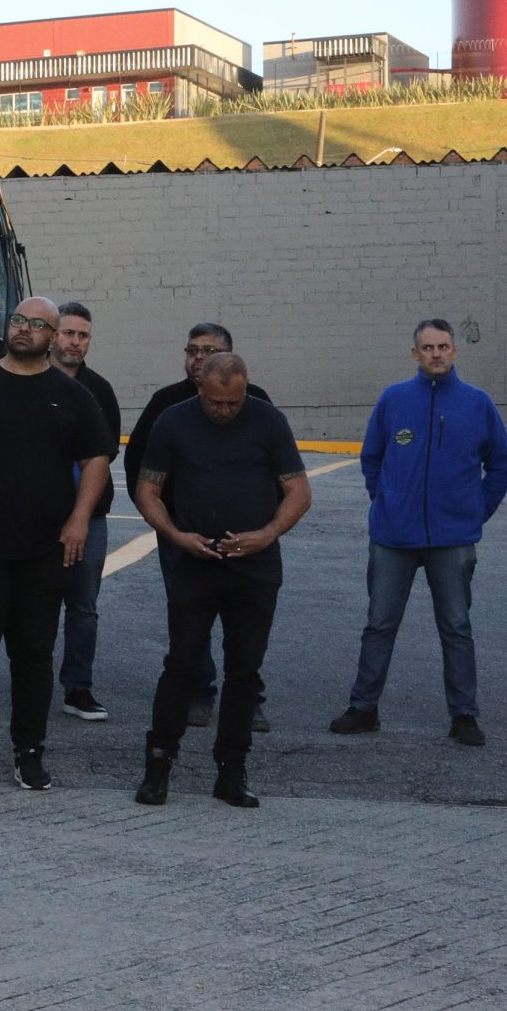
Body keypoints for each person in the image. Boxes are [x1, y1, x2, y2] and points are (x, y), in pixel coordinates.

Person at [0, 295, 117, 791]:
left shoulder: (72, 396)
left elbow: (97, 458)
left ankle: (29, 753)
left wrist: (79, 519)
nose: (24, 329)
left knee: (33, 652)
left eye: (37, 324)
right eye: (17, 320)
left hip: (46, 547)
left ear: (54, 337)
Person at [131, 354, 312, 809]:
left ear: (246, 389)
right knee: (181, 665)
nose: (224, 411)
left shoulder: (269, 421)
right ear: (200, 389)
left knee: (244, 671)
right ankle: (158, 766)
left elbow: (299, 491)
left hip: (255, 567)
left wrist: (266, 534)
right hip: (195, 562)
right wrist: (175, 536)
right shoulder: (173, 422)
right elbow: (147, 489)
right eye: (215, 402)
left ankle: (232, 770)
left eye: (233, 403)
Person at [329, 318, 507, 745]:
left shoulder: (478, 403)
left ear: (455, 351)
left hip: (453, 539)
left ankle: (464, 715)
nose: (435, 354)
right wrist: (386, 500)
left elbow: (500, 464)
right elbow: (371, 456)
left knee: (456, 626)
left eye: (443, 346)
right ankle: (363, 708)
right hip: (393, 537)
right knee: (379, 624)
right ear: (415, 353)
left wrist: (476, 512)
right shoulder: (394, 400)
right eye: (427, 347)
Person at [125, 322, 275, 731]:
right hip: (183, 537)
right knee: (190, 624)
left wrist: (265, 526)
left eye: (208, 351)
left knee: (246, 626)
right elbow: (138, 467)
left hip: (246, 542)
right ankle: (198, 693)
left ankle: (248, 698)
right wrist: (167, 525)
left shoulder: (257, 404)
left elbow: (282, 473)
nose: (198, 359)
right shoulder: (166, 405)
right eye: (192, 351)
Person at [50, 301, 123, 721]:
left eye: (83, 336)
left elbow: (103, 456)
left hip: (89, 518)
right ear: (53, 334)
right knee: (35, 606)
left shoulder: (100, 390)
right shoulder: (31, 380)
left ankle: (77, 688)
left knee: (84, 607)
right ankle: (33, 681)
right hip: (37, 519)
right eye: (68, 333)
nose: (75, 342)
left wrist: (80, 512)